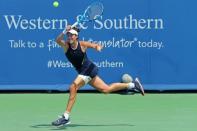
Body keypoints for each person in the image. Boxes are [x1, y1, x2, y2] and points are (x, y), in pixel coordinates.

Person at [52, 25, 145, 126]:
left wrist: (98, 47)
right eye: (68, 35)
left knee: (73, 87)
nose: (69, 37)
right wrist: (64, 31)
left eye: (72, 35)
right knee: (106, 89)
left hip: (88, 69)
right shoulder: (66, 46)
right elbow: (57, 40)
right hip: (84, 72)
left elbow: (94, 45)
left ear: (76, 37)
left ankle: (66, 116)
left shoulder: (82, 44)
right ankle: (133, 85)